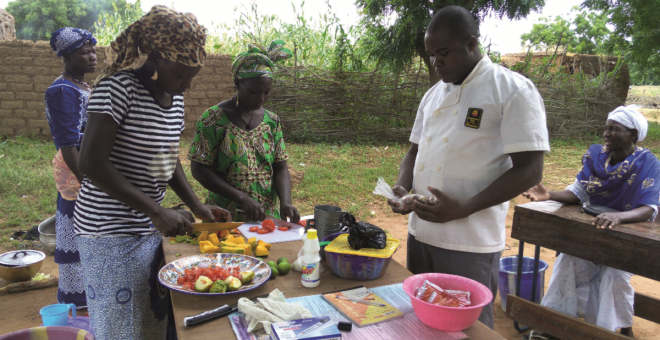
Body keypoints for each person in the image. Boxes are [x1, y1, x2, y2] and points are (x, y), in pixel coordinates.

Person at [387, 6, 549, 328]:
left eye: (444, 53)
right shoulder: (433, 95)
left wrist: (465, 207)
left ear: (472, 43)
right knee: (422, 319)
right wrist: (403, 187)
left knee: (467, 327)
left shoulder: (511, 90)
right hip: (421, 233)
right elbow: (414, 150)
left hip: (469, 240)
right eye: (432, 55)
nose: (436, 63)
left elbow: (530, 170)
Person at [74, 6, 229, 339]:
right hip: (109, 233)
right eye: (182, 75)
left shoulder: (173, 101)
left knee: (152, 320)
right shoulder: (117, 89)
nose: (188, 85)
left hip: (148, 228)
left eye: (193, 76)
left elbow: (167, 159)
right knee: (121, 328)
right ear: (157, 59)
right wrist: (156, 210)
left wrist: (198, 206)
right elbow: (91, 163)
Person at [522, 106, 659, 338]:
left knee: (613, 275)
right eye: (606, 128)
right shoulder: (596, 158)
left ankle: (609, 331)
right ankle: (556, 326)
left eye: (614, 129)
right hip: (596, 233)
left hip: (629, 238)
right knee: (567, 258)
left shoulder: (648, 163)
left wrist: (618, 216)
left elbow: (650, 208)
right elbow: (579, 193)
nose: (606, 133)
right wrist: (550, 195)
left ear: (633, 135)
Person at [189, 40, 300, 223]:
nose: (261, 99)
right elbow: (199, 169)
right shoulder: (212, 119)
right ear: (237, 83)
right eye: (254, 92)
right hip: (225, 216)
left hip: (266, 218)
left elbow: (280, 167)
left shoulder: (272, 122)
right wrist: (240, 197)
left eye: (267, 92)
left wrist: (285, 202)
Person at [45, 27, 97, 308]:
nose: (92, 56)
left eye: (93, 50)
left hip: (86, 171)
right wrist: (89, 185)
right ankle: (79, 306)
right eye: (84, 52)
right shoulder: (62, 90)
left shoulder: (80, 86)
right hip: (78, 176)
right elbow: (68, 144)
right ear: (66, 56)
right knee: (80, 231)